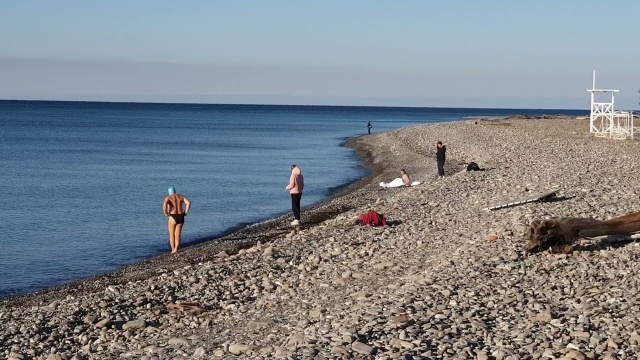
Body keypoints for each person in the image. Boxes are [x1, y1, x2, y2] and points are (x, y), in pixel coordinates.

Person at [162, 186, 191, 254]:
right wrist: (186, 212)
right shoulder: (181, 196)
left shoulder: (168, 197)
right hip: (181, 216)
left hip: (173, 216)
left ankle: (173, 249)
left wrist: (165, 212)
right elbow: (188, 203)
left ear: (169, 192)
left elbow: (164, 205)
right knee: (178, 234)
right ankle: (176, 249)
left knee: (172, 234)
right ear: (175, 191)